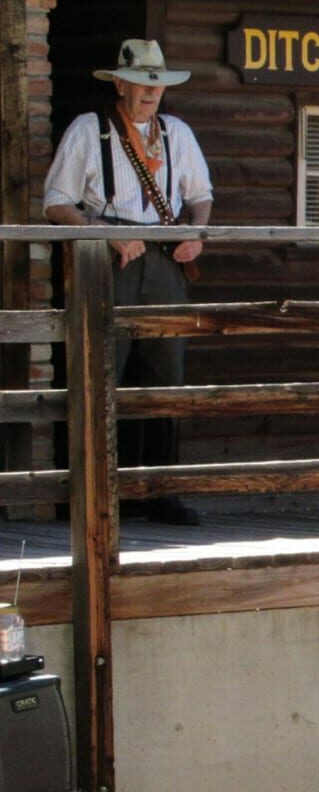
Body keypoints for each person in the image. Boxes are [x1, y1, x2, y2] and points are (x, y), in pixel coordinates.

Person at [43, 38, 213, 525]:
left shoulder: (177, 133)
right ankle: (96, 497)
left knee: (166, 380)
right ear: (120, 84)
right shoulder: (89, 130)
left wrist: (196, 235)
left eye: (156, 85)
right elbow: (56, 203)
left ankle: (160, 493)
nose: (149, 93)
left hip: (164, 263)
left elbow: (200, 195)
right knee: (103, 375)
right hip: (108, 264)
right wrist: (106, 235)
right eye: (140, 83)